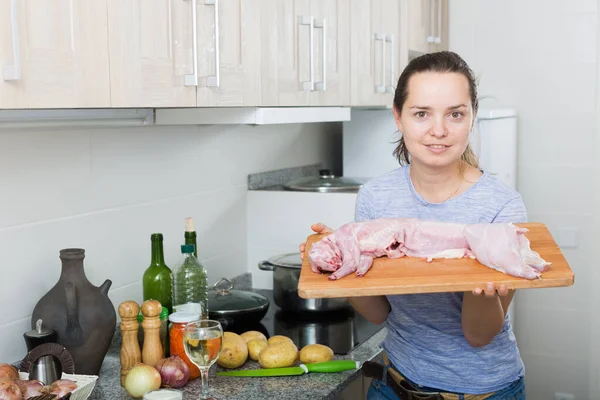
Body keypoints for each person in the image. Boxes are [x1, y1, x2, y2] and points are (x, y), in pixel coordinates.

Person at [299, 51, 527, 400]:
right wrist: (339, 261)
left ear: (473, 117)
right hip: (394, 385)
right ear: (398, 117)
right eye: (422, 114)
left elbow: (479, 336)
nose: (439, 130)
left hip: (483, 392)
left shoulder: (500, 206)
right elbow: (379, 313)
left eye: (455, 114)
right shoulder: (377, 196)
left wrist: (479, 285)